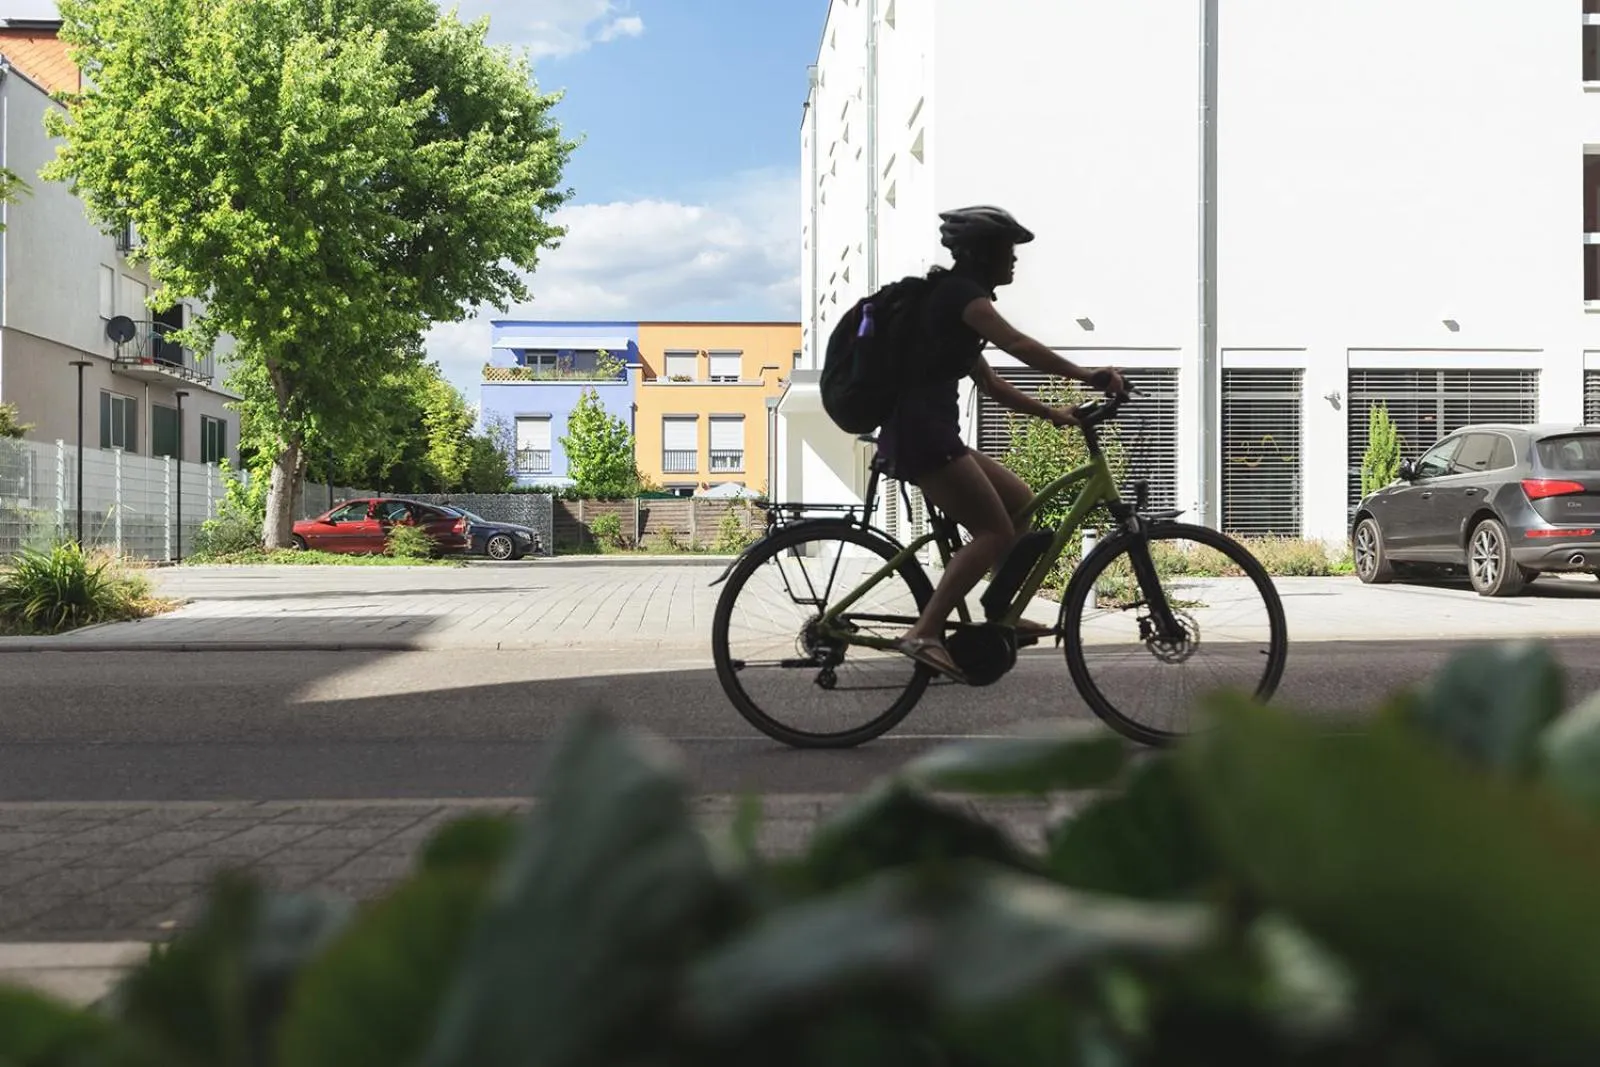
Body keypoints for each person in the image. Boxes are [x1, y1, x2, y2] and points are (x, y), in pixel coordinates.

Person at [877, 205, 1127, 681]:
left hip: (931, 434)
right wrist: (1087, 374)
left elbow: (992, 385)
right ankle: (923, 632)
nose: (1014, 260)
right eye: (1007, 250)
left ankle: (998, 611)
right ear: (982, 254)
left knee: (1019, 503)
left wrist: (1053, 413)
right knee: (994, 531)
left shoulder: (951, 308)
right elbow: (1019, 345)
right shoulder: (962, 298)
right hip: (922, 436)